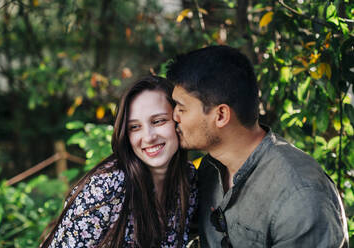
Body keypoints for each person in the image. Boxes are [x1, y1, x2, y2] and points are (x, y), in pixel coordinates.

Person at [166, 45, 348, 247]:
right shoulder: (211, 168)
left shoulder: (300, 195)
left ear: (221, 115)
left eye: (182, 109)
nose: (174, 116)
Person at [40, 76, 198, 248]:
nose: (149, 137)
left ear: (178, 119)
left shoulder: (188, 180)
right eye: (134, 127)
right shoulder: (109, 186)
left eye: (158, 121)